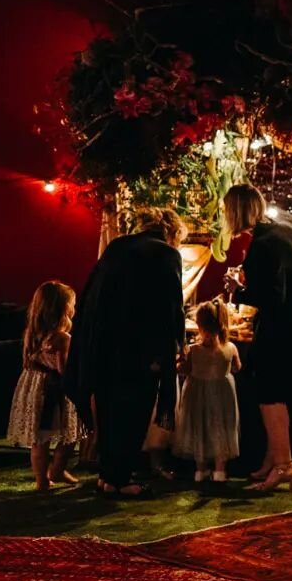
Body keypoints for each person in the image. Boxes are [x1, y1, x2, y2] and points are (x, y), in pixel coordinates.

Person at [66, 208, 186, 497]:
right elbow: (170, 307)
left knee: (107, 413)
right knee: (133, 414)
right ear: (172, 232)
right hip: (141, 350)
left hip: (104, 346)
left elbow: (94, 295)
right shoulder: (167, 255)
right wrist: (170, 349)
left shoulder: (117, 247)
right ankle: (122, 480)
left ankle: (107, 476)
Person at [222, 184, 292, 492]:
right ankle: (274, 458)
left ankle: (284, 464)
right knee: (278, 392)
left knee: (269, 392)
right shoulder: (284, 231)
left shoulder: (263, 243)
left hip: (281, 327)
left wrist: (238, 289)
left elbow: (271, 294)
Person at [7, 280, 85, 490]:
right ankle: (57, 470)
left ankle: (41, 479)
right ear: (64, 308)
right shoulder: (62, 338)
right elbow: (63, 370)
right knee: (71, 434)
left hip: (33, 387)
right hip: (54, 389)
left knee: (39, 439)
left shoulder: (32, 334)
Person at [173, 300, 241, 483]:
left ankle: (200, 470)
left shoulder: (194, 350)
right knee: (221, 428)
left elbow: (184, 370)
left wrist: (179, 361)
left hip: (197, 394)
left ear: (200, 325)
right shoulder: (231, 348)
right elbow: (237, 368)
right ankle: (220, 471)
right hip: (223, 394)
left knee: (199, 428)